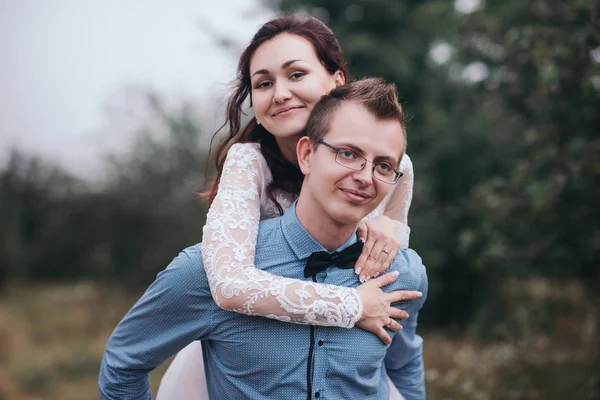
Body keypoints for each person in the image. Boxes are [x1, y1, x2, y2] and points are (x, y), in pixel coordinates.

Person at [99, 77, 428, 400]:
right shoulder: (205, 271)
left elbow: (403, 365)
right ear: (307, 156)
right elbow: (124, 363)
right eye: (347, 153)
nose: (364, 177)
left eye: (383, 166)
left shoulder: (404, 273)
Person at [157, 14, 417, 400]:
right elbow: (228, 284)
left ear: (336, 82)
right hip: (250, 357)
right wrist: (351, 306)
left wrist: (389, 230)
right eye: (264, 83)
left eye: (296, 75)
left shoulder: (392, 164)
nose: (279, 93)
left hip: (342, 359)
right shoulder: (249, 163)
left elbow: (397, 242)